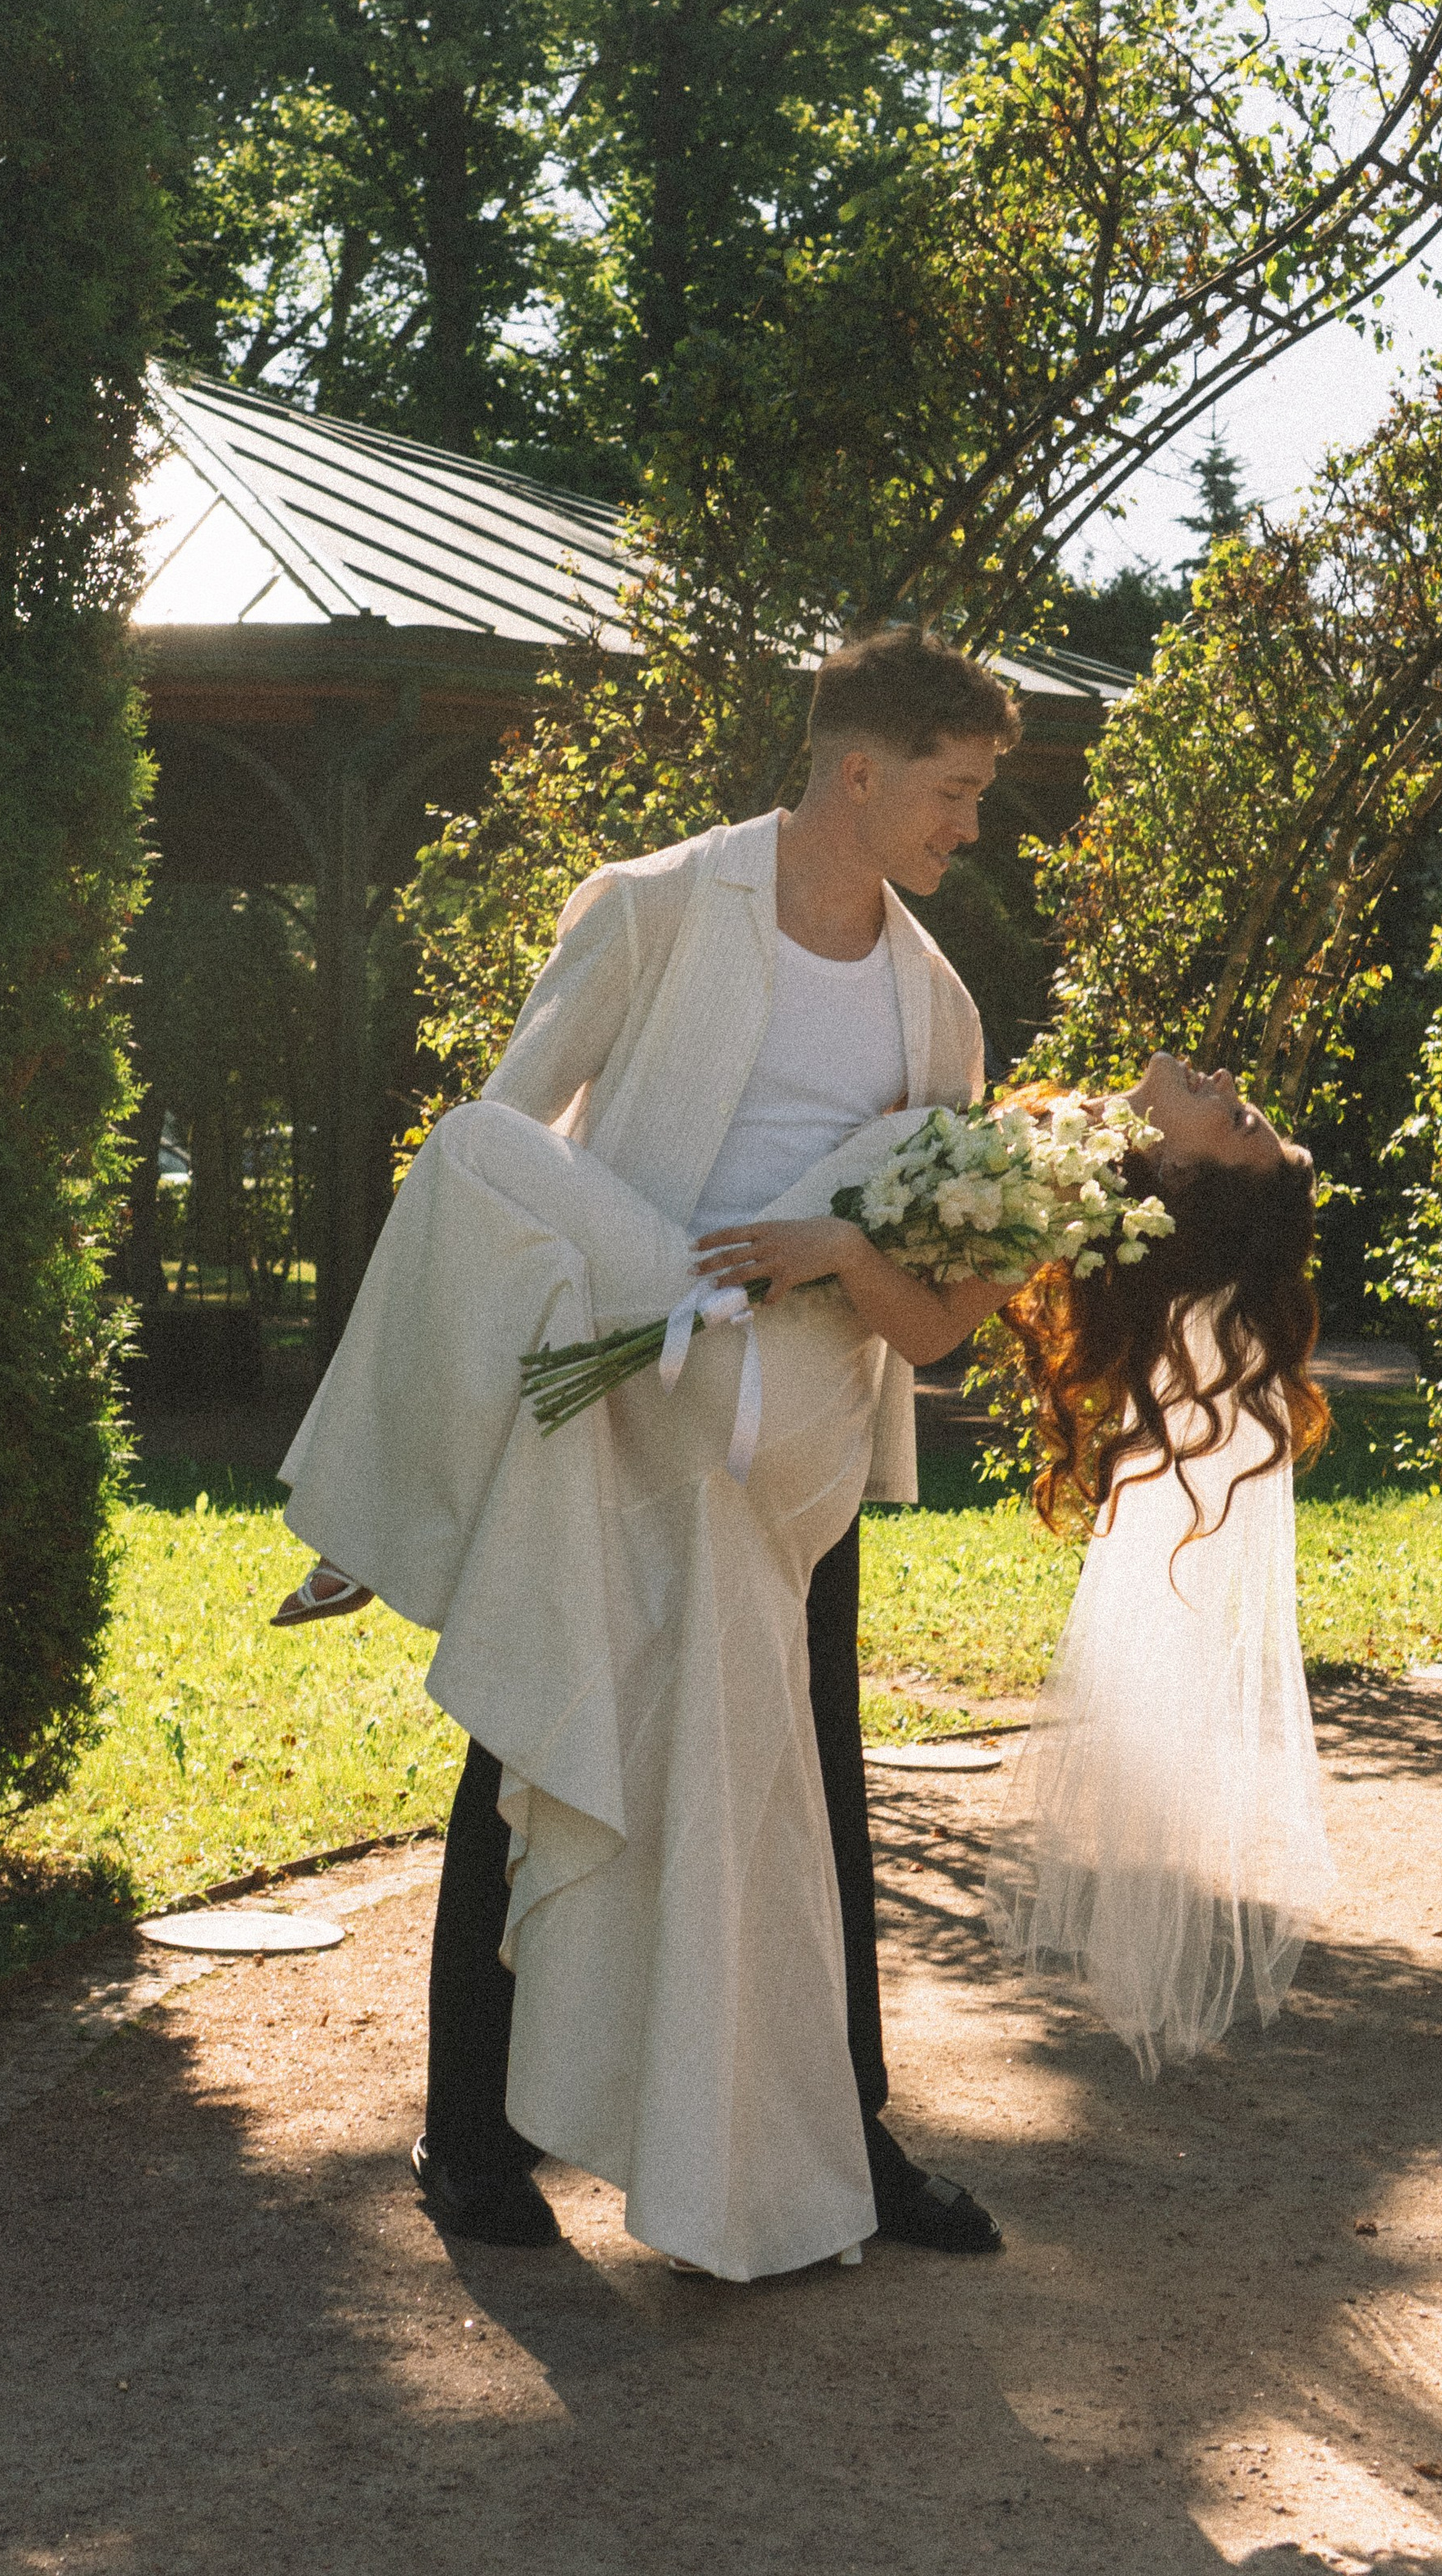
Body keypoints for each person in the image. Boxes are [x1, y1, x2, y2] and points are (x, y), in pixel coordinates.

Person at [275, 627, 1020, 2273]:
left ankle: (843, 2140)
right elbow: (497, 1156)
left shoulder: (938, 1006)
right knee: (533, 1740)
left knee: (810, 1785)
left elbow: (925, 1264)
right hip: (611, 1415)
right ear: (859, 770)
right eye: (953, 791)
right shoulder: (655, 907)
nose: (967, 828)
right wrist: (469, 1415)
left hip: (796, 1449)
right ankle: (470, 2141)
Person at [984, 1052, 1336, 2077]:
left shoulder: (1048, 1183)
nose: (1227, 1079)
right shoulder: (1055, 1138)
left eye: (1241, 1122)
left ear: (1178, 1179)